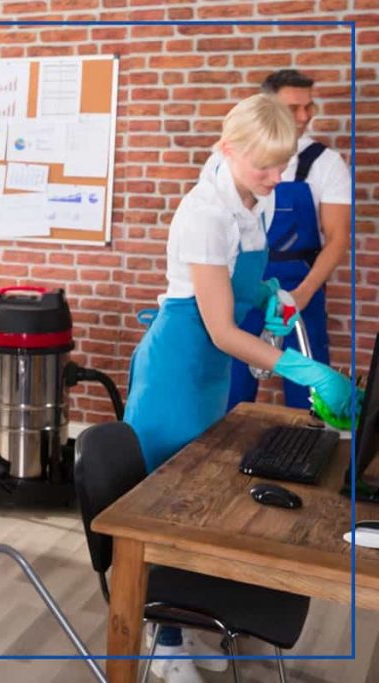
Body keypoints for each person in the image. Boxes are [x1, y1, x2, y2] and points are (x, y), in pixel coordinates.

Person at [123, 94, 353, 683]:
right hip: (178, 367)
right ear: (227, 150)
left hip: (208, 373)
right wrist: (308, 369)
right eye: (263, 168)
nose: (276, 179)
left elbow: (241, 284)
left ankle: (194, 616)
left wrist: (270, 292)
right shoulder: (204, 213)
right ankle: (163, 639)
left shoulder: (257, 202)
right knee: (162, 505)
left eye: (283, 166)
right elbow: (222, 330)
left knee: (199, 495)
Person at [225, 69, 352, 411]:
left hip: (300, 293)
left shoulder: (325, 164)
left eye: (308, 107)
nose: (303, 116)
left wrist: (301, 295)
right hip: (245, 292)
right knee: (230, 396)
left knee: (308, 400)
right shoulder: (236, 159)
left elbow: (338, 238)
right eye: (293, 108)